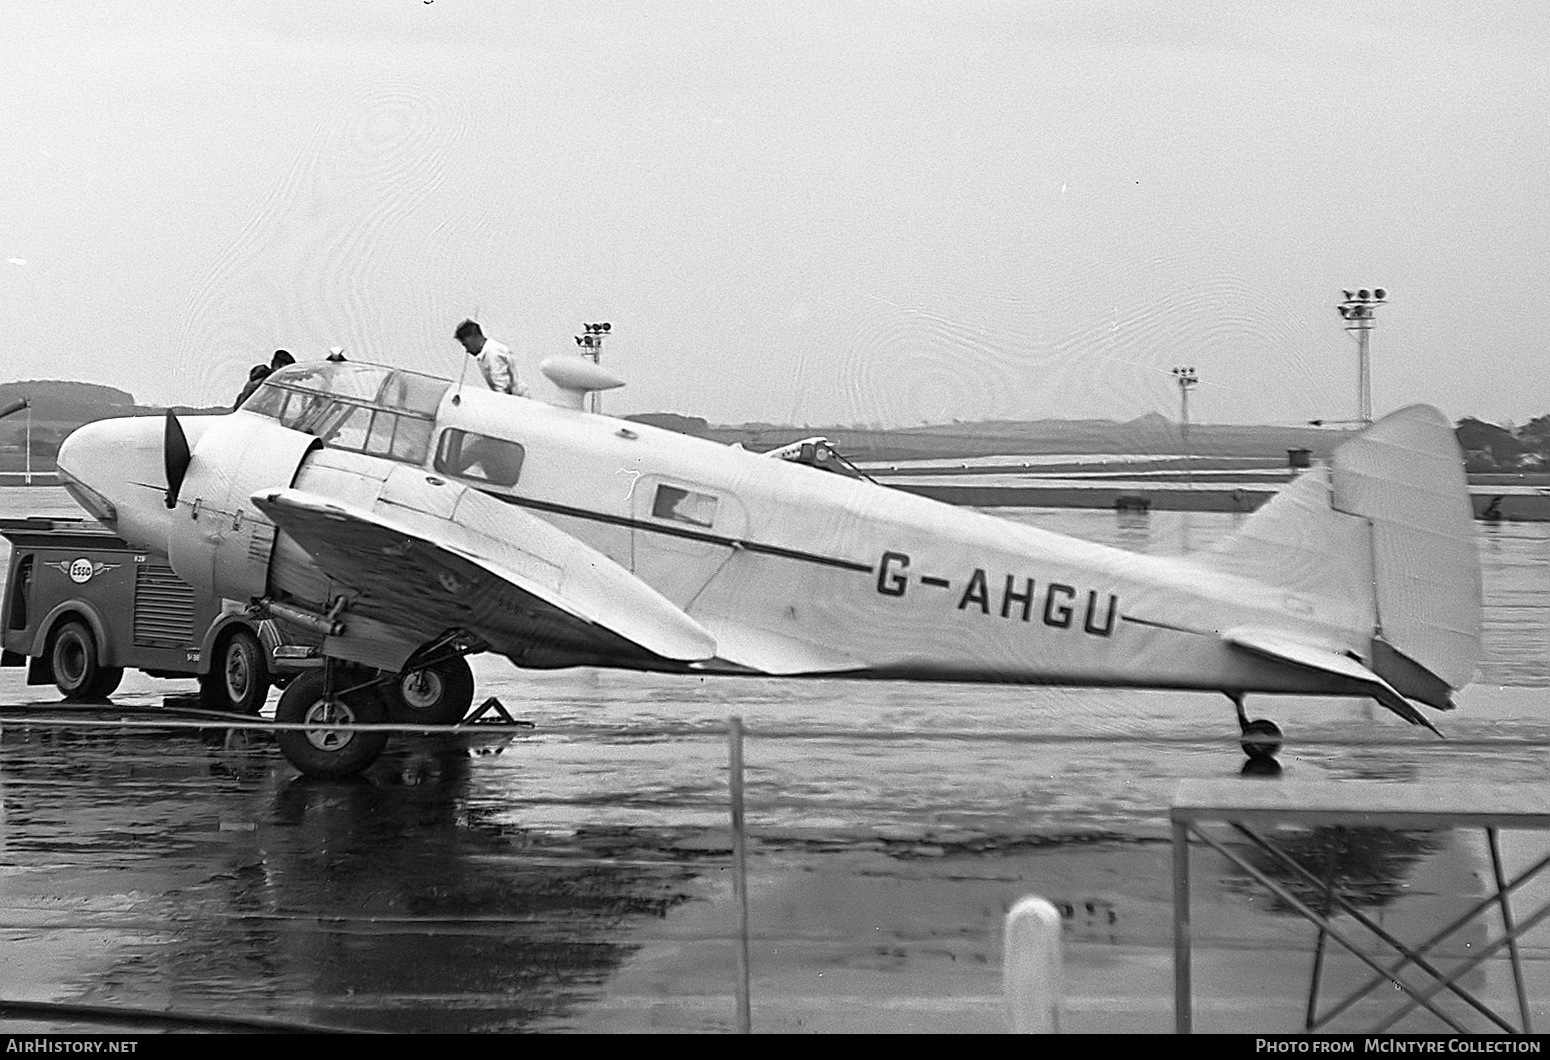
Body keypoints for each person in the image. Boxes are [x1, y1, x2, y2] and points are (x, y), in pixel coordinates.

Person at [454, 319, 527, 397]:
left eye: (466, 345)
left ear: (471, 338)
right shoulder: (488, 353)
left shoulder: (493, 353)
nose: (467, 350)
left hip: (516, 400)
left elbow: (502, 386)